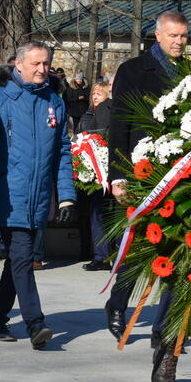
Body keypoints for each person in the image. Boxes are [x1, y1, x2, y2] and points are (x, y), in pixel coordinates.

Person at [0, 40, 76, 349]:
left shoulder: (54, 101)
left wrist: (66, 195)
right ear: (18, 64)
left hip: (39, 195)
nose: (42, 69)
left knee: (16, 260)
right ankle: (36, 323)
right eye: (35, 63)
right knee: (22, 255)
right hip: (8, 194)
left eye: (46, 63)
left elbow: (62, 151)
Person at [106, 11, 188, 352]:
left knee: (178, 249)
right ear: (158, 36)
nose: (179, 42)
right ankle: (117, 303)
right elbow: (119, 125)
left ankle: (163, 328)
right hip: (142, 172)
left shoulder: (190, 73)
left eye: (183, 36)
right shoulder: (134, 71)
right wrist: (118, 175)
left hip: (180, 175)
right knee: (139, 246)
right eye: (173, 36)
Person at [77, 82, 112, 271]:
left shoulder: (108, 111)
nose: (95, 96)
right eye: (93, 93)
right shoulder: (89, 113)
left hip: (104, 170)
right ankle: (101, 255)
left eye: (99, 93)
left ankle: (108, 255)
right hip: (92, 171)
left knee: (104, 214)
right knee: (96, 214)